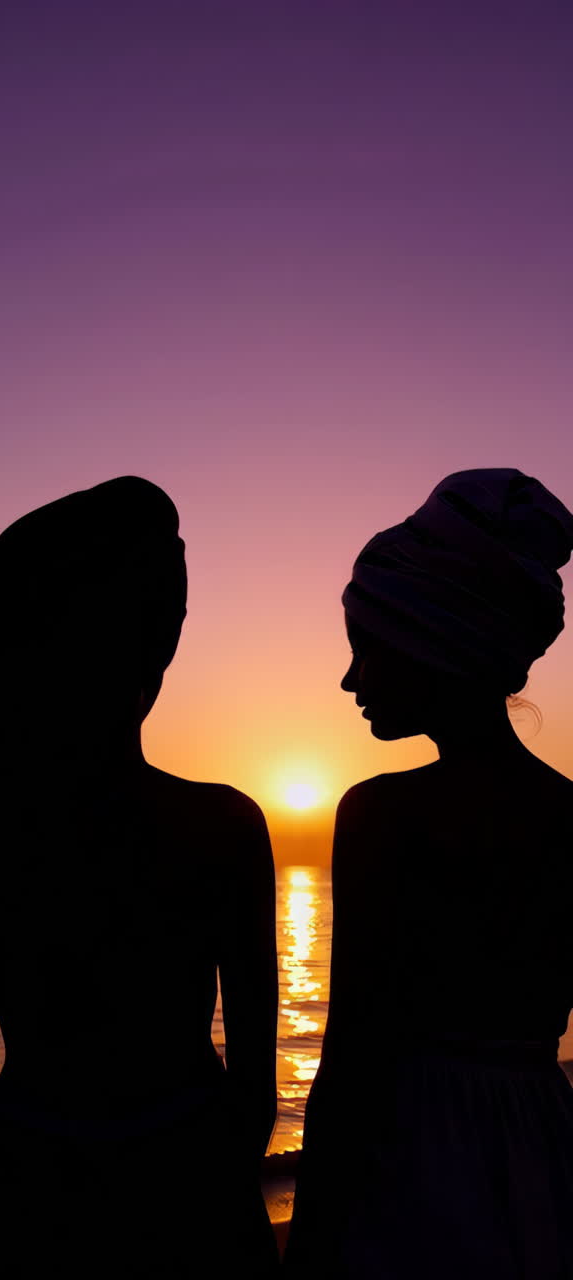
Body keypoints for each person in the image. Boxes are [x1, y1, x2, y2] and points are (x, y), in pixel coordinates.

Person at [0, 476, 279, 1279]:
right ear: (154, 647)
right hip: (189, 1193)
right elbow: (254, 1090)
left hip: (27, 1195)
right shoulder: (225, 829)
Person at [284, 469, 573, 1278]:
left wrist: (308, 1244)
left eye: (365, 649)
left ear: (428, 644)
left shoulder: (384, 815)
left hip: (413, 1157)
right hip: (545, 1147)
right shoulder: (569, 817)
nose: (351, 680)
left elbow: (352, 1056)